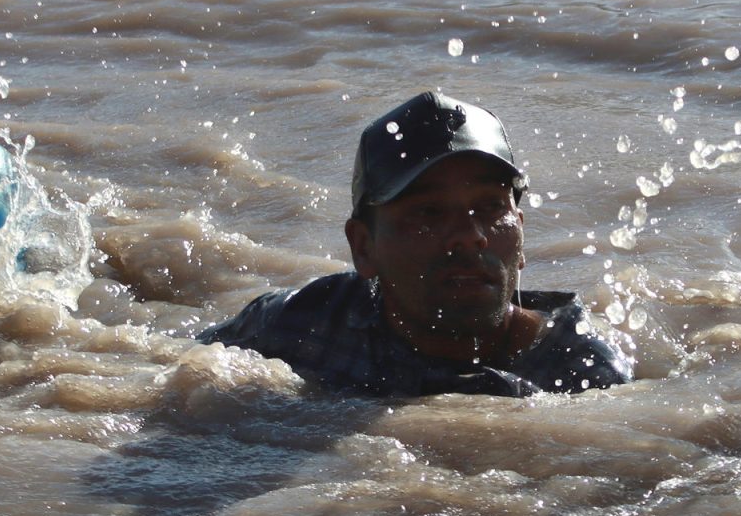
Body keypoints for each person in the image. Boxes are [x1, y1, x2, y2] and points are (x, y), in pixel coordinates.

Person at [196, 91, 632, 397]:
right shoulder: (302, 325)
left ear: (520, 234)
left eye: (489, 207)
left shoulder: (580, 374)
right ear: (363, 247)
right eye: (429, 213)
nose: (471, 235)